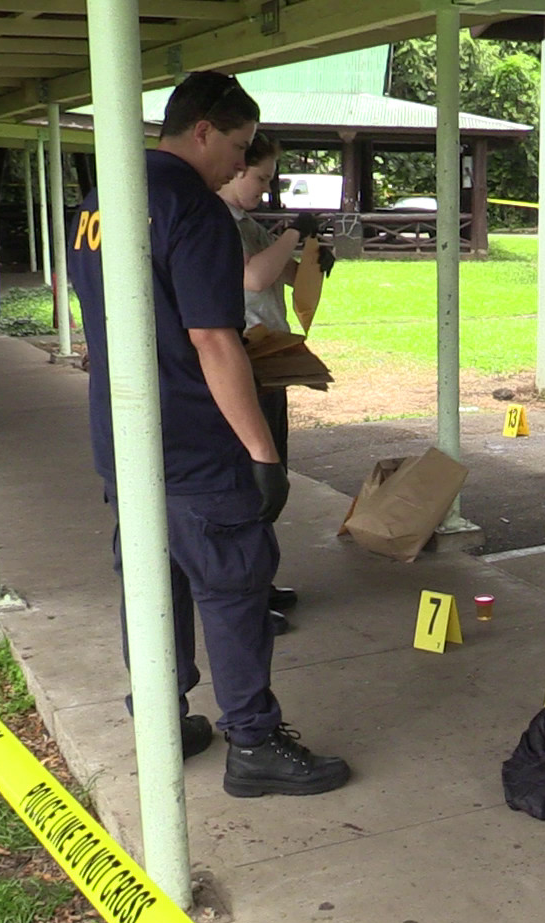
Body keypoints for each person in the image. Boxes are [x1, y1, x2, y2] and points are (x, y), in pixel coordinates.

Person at [66, 71, 349, 798]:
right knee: (232, 585)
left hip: (124, 441)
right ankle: (252, 741)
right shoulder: (193, 209)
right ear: (202, 131)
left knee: (153, 585)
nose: (242, 162)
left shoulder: (101, 201)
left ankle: (161, 718)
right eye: (239, 145)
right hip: (195, 441)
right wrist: (263, 453)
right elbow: (214, 342)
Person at [215, 134, 333, 634]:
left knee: (272, 476)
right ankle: (242, 595)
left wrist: (312, 255)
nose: (264, 189)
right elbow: (253, 279)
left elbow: (284, 274)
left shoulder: (248, 224)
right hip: (241, 360)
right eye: (260, 178)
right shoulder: (219, 221)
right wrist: (289, 232)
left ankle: (258, 581)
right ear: (237, 168)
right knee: (251, 482)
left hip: (269, 359)